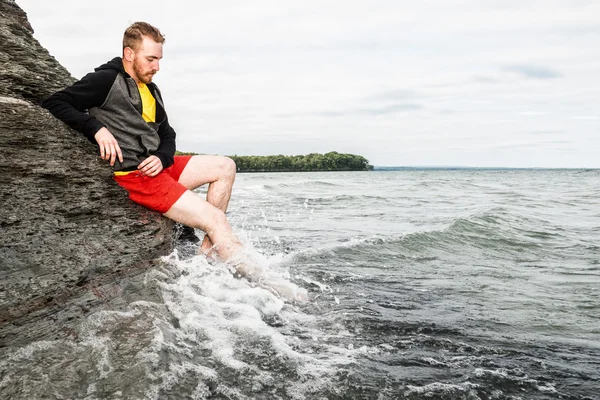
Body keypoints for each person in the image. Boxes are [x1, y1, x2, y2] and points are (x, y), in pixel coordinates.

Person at [43, 22, 307, 301]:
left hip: (159, 166)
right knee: (215, 219)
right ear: (129, 54)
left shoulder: (152, 89)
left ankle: (207, 253)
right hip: (136, 176)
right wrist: (95, 127)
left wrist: (161, 156)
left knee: (225, 166)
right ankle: (274, 288)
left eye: (159, 59)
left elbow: (168, 134)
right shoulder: (105, 81)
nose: (156, 66)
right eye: (151, 59)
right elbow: (55, 102)